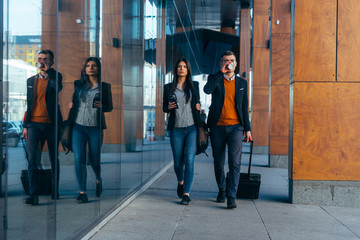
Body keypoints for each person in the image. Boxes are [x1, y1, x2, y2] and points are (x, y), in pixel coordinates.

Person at [204, 50, 252, 209]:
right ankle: (222, 189)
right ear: (221, 63)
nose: (229, 62)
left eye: (231, 60)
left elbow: (244, 108)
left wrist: (248, 129)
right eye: (225, 60)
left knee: (235, 162)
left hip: (236, 128)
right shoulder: (214, 78)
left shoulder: (242, 83)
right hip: (217, 126)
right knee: (218, 162)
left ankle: (231, 196)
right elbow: (207, 90)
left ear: (236, 63)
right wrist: (220, 73)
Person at [67, 57, 113, 203]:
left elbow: (109, 107)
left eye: (94, 65)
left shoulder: (104, 87)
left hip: (95, 128)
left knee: (94, 160)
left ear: (98, 68)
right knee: (79, 158)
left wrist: (102, 106)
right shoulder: (78, 84)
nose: (91, 68)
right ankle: (82, 191)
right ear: (84, 69)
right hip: (78, 126)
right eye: (88, 66)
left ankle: (98, 179)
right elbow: (75, 100)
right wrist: (71, 104)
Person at [22, 49, 63, 205]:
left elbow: (57, 88)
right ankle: (33, 194)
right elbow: (29, 103)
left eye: (45, 59)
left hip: (52, 124)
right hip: (33, 124)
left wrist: (49, 73)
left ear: (51, 61)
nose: (42, 61)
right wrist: (25, 125)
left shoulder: (56, 76)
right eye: (40, 58)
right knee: (32, 159)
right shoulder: (30, 81)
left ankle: (55, 190)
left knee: (53, 158)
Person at [163, 57, 202, 205]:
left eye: (184, 66)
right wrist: (168, 107)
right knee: (178, 163)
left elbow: (196, 102)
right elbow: (164, 107)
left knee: (189, 160)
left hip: (192, 128)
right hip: (176, 129)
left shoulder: (194, 85)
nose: (181, 68)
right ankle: (181, 181)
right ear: (176, 69)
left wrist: (198, 105)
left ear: (188, 69)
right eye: (179, 66)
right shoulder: (168, 87)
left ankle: (186, 193)